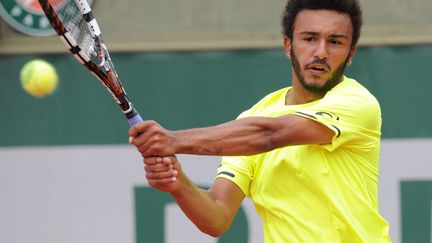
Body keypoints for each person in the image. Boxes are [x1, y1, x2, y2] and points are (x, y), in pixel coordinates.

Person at [129, 0, 392, 242]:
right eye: (310, 38)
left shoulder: (358, 104)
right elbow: (217, 218)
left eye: (335, 42)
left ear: (351, 53)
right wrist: (179, 184)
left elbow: (269, 135)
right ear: (289, 45)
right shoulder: (254, 119)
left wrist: (173, 141)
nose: (321, 52)